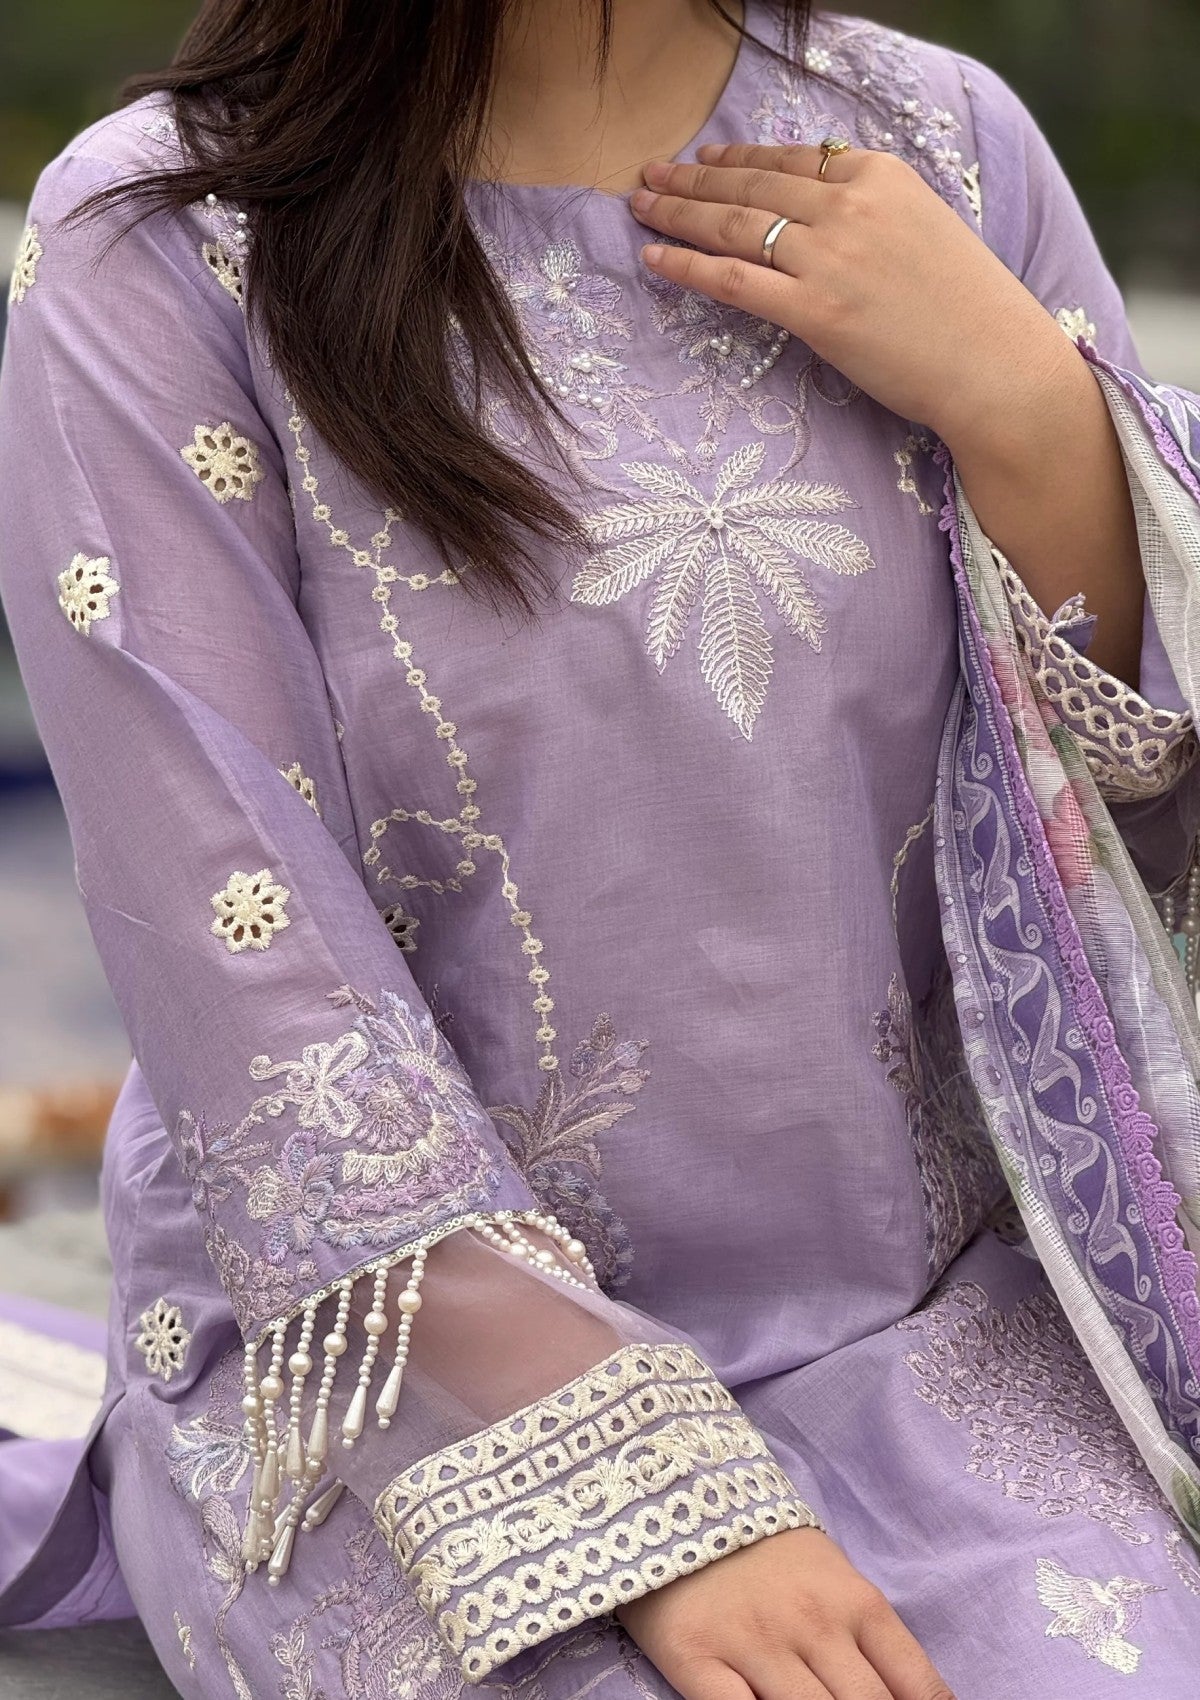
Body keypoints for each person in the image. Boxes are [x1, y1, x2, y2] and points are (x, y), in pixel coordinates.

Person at [2, 2, 1200, 1695]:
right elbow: (239, 955)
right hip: (391, 1373)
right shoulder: (165, 240)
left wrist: (1033, 417)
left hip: (944, 1324)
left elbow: (1134, 874)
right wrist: (654, 1503)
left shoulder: (949, 144)